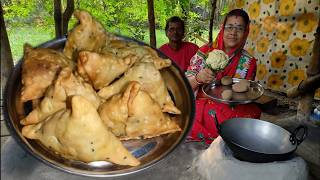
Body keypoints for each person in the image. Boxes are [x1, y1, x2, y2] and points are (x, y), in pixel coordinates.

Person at [185, 9, 261, 144]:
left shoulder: (248, 61)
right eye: (229, 27)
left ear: (245, 32)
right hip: (202, 103)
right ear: (222, 29)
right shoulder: (205, 52)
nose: (233, 32)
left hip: (231, 105)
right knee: (211, 115)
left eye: (239, 28)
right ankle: (216, 140)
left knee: (253, 112)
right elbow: (184, 87)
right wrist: (198, 78)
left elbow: (245, 94)